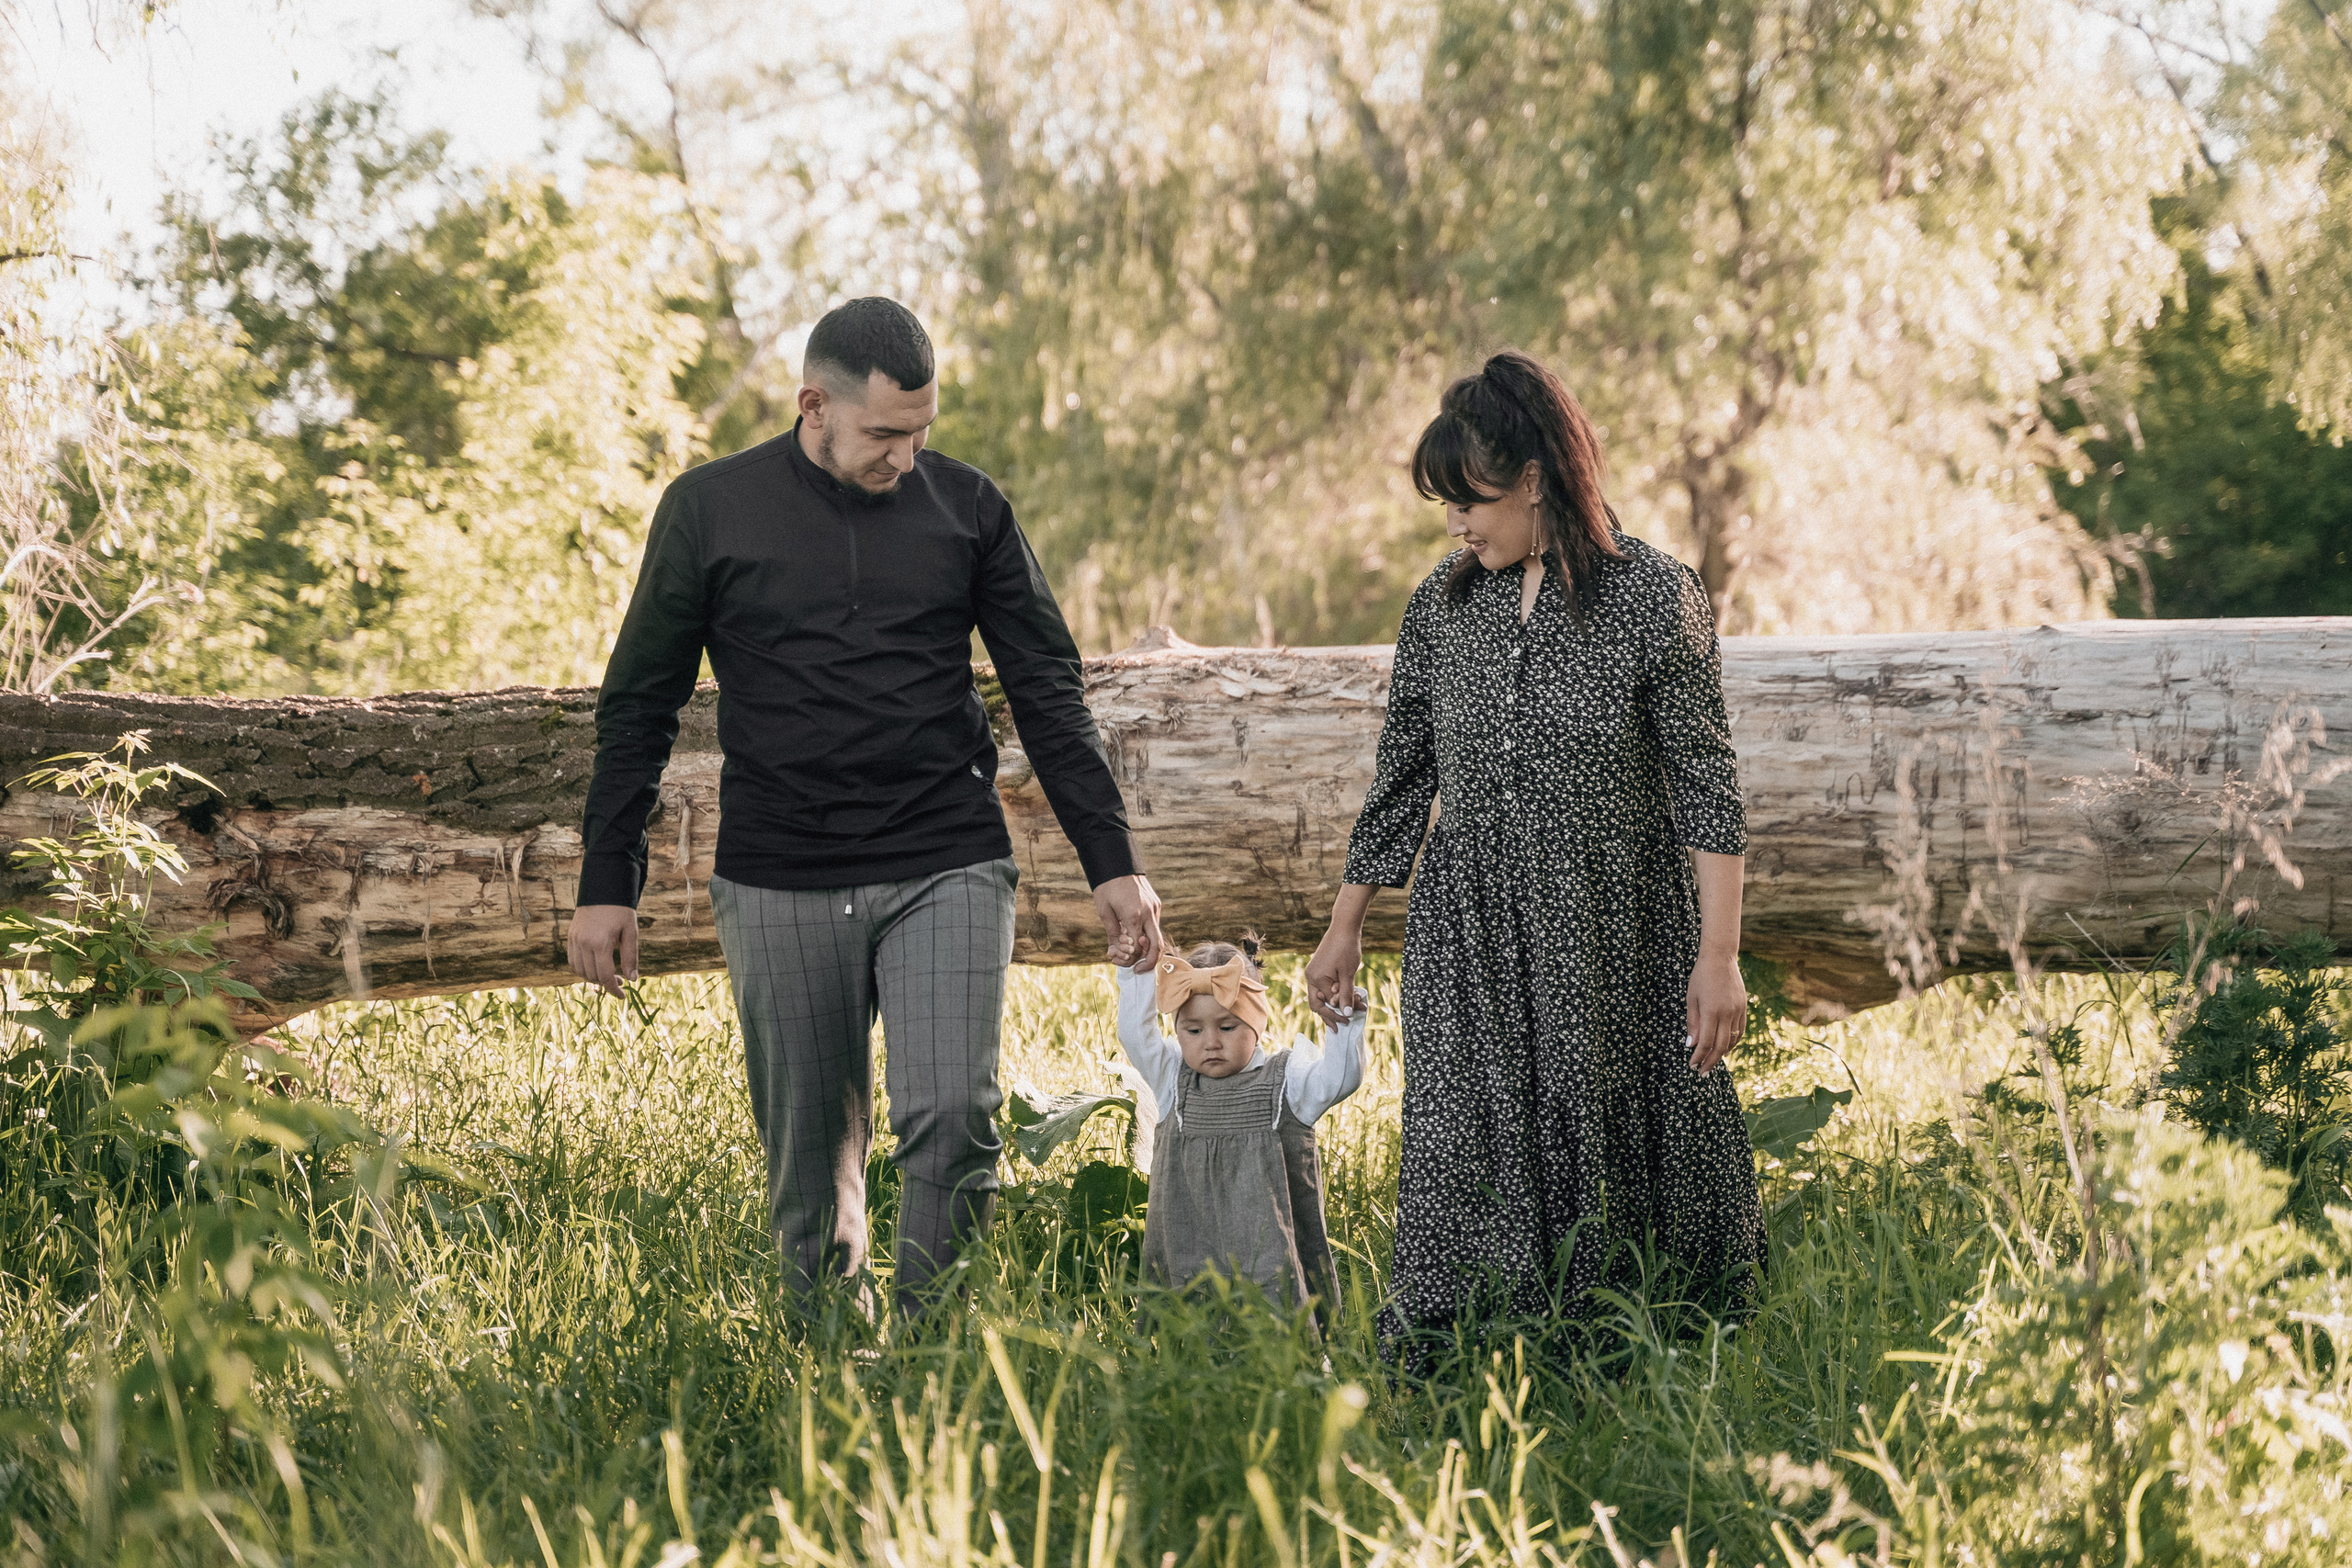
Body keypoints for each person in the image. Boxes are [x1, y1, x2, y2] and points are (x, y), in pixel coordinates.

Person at [567, 297, 1165, 1314]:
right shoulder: (710, 509)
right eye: (885, 434)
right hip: (777, 871)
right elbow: (638, 705)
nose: (906, 455)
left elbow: (1046, 689)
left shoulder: (967, 508)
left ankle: (937, 1366)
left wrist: (1113, 860)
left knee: (953, 1113)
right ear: (813, 406)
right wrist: (603, 883)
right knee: (809, 1160)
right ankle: (825, 1373)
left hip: (945, 856)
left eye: (921, 432)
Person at [1302, 350, 1764, 1366]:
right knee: (1467, 1134)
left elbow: (1706, 783)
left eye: (1470, 501)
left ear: (1536, 479)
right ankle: (1468, 1347)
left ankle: (1627, 1347)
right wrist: (1344, 928)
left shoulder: (1652, 596)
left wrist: (1718, 955)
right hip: (1468, 928)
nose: (1458, 526)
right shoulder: (1442, 607)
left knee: (1613, 1130)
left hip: (1612, 920)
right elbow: (1401, 777)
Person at [1114, 937, 1366, 1317]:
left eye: (1228, 1027)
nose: (1211, 1043)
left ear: (1257, 1023)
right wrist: (1137, 971)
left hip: (1268, 1252)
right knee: (1192, 1319)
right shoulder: (1172, 1078)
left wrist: (1343, 1018)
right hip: (1190, 1247)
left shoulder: (1287, 1081)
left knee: (1277, 1319)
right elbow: (1135, 1034)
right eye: (1193, 1031)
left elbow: (1340, 1078)